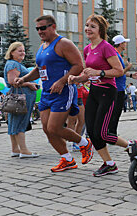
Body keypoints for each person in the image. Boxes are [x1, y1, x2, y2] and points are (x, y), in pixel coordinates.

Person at [15, 15, 93, 172]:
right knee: (46, 128)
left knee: (55, 128)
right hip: (47, 93)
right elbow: (39, 69)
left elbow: (78, 65)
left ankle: (85, 144)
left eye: (43, 28)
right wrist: (23, 79)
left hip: (63, 91)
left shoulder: (63, 43)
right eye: (37, 28)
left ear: (53, 26)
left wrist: (62, 81)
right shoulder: (43, 46)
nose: (40, 31)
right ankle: (67, 159)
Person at [68, 15, 133, 177]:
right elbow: (87, 72)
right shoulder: (87, 49)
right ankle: (109, 164)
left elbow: (118, 71)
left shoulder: (106, 47)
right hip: (94, 92)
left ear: (101, 30)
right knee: (91, 131)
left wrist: (99, 72)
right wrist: (77, 78)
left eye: (93, 26)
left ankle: (131, 146)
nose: (88, 29)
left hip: (108, 92)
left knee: (103, 133)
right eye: (87, 25)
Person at [3, 42, 38, 158]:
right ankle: (24, 151)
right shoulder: (14, 64)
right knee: (21, 121)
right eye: (19, 51)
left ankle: (15, 149)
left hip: (18, 97)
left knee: (14, 122)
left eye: (23, 51)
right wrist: (29, 84)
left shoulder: (12, 63)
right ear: (12, 52)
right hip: (21, 98)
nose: (23, 53)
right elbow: (13, 81)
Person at [110, 35, 133, 136]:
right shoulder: (116, 55)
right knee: (115, 112)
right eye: (124, 43)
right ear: (120, 44)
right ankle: (112, 133)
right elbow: (119, 72)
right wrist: (129, 67)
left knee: (116, 112)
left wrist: (131, 75)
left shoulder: (117, 54)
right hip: (117, 88)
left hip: (119, 87)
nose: (125, 45)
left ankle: (111, 132)